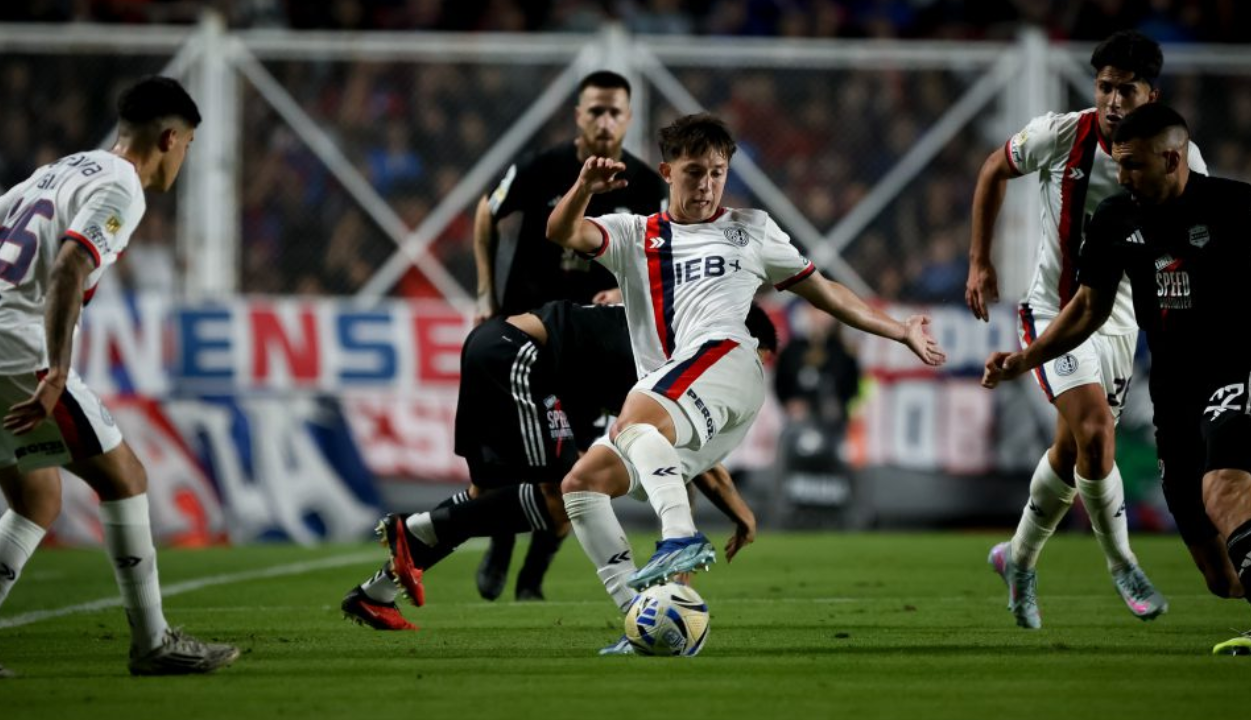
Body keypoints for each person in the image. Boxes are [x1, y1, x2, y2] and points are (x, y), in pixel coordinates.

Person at [545, 113, 944, 632]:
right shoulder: (634, 234)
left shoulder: (751, 231)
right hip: (678, 396)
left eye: (717, 171)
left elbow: (826, 291)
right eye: (694, 172)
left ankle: (678, 537)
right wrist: (583, 187)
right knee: (582, 484)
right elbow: (561, 230)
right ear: (666, 172)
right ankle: (645, 618)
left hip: (729, 359)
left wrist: (898, 330)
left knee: (636, 417)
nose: (707, 185)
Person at [0, 76, 239, 678]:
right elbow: (69, 265)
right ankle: (152, 642)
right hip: (17, 350)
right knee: (125, 476)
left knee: (36, 497)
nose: (185, 158)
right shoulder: (123, 187)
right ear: (170, 137)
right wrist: (57, 371)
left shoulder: (64, 168)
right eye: (188, 145)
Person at [983, 103, 1250, 655]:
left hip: (1237, 371)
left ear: (1172, 158)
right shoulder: (1115, 218)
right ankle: (1021, 555)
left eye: (1132, 165)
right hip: (1174, 392)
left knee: (1222, 486)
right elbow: (1087, 309)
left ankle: (1120, 561)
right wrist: (1024, 360)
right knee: (1221, 577)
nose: (1122, 175)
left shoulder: (1234, 208)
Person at [965, 30, 1207, 629]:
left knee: (1073, 449)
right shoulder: (1062, 134)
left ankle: (1017, 560)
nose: (1114, 101)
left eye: (1127, 89)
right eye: (1105, 87)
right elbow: (994, 169)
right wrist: (980, 260)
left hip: (1120, 322)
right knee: (1096, 432)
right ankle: (1123, 562)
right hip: (1052, 310)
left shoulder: (1181, 159)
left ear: (1152, 93)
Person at [338, 301, 768, 631]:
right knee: (567, 494)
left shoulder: (659, 322)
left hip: (497, 348)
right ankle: (415, 529)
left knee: (485, 498)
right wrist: (741, 512)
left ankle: (375, 593)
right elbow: (698, 463)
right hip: (519, 357)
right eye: (757, 358)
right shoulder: (674, 353)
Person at [470, 70, 669, 602]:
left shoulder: (648, 186)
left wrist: (629, 299)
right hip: (526, 338)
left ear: (629, 119)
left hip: (590, 350)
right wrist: (485, 293)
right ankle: (500, 546)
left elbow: (664, 266)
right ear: (578, 115)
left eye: (615, 112)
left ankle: (532, 580)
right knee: (510, 459)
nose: (605, 121)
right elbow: (486, 214)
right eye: (595, 111)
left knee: (573, 467)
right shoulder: (543, 168)